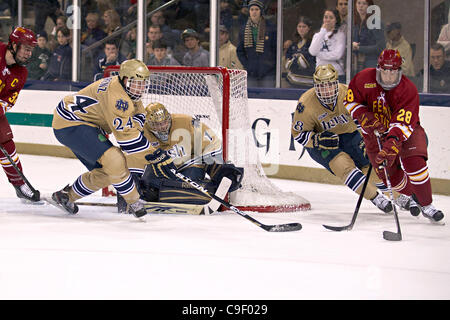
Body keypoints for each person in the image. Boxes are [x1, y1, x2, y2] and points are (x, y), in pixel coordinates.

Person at [50, 59, 163, 218]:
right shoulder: (118, 98)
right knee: (115, 161)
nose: (141, 88)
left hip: (84, 123)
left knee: (108, 171)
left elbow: (139, 116)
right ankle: (134, 202)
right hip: (70, 122)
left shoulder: (128, 91)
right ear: (125, 79)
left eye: (143, 83)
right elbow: (128, 142)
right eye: (137, 83)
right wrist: (154, 154)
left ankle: (66, 197)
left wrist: (150, 149)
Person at [344, 49, 444, 223]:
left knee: (415, 164)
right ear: (378, 68)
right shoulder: (363, 79)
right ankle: (415, 195)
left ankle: (427, 205)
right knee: (388, 175)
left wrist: (392, 143)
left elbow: (403, 124)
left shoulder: (408, 90)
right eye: (385, 70)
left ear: (399, 70)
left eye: (393, 71)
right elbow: (350, 101)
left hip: (405, 132)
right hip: (374, 134)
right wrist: (363, 116)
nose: (388, 75)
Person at [291, 64, 392, 214]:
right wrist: (317, 140)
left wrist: (372, 135)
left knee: (371, 165)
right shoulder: (305, 104)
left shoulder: (349, 94)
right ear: (315, 86)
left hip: (350, 136)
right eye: (321, 86)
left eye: (330, 85)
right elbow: (298, 134)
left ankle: (397, 195)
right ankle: (376, 198)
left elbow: (364, 119)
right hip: (323, 144)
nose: (326, 90)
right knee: (343, 167)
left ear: (336, 83)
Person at [120, 102, 243, 212]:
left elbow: (212, 144)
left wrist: (218, 169)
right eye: (157, 124)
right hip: (161, 170)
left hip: (189, 165)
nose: (162, 127)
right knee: (147, 187)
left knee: (195, 176)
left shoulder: (185, 122)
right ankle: (197, 192)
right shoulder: (140, 131)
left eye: (164, 122)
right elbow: (131, 159)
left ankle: (207, 189)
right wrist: (131, 183)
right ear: (148, 124)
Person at [0, 27, 40, 202]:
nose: (28, 54)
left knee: (7, 143)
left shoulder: (21, 73)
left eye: (31, 50)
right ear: (14, 45)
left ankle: (19, 184)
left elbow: (8, 100)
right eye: (25, 48)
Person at [236, 0, 277, 87]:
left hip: (268, 72)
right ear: (249, 12)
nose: (254, 12)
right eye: (252, 9)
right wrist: (247, 65)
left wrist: (270, 64)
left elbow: (275, 48)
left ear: (261, 11)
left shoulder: (270, 27)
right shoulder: (243, 29)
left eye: (256, 9)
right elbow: (240, 51)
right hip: (251, 72)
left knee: (268, 97)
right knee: (251, 97)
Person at [309, 8, 346, 82]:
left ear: (336, 20)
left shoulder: (340, 35)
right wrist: (322, 32)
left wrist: (319, 55)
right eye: (326, 17)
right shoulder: (317, 35)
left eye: (331, 18)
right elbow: (312, 52)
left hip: (336, 73)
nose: (328, 20)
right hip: (320, 74)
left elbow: (337, 55)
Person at [352, 0, 385, 73]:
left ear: (369, 6)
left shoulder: (375, 23)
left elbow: (380, 47)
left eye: (364, 3)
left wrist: (359, 48)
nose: (361, 6)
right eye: (359, 3)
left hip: (372, 63)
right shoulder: (355, 23)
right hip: (357, 64)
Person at [284, 16, 316, 88]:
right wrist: (297, 60)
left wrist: (293, 61)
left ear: (309, 28)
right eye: (299, 26)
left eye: (304, 27)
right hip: (293, 82)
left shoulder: (312, 43)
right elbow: (286, 64)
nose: (301, 29)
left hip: (309, 84)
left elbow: (304, 63)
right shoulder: (293, 44)